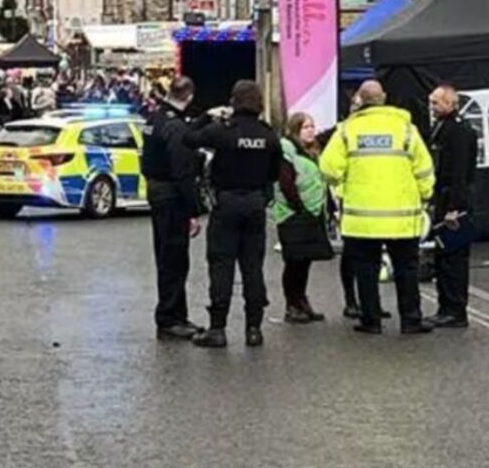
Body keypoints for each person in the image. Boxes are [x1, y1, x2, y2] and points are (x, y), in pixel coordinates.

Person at [320, 80, 435, 335]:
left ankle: (371, 320)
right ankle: (411, 320)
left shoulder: (347, 131)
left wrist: (341, 189)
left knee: (366, 269)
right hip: (402, 217)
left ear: (360, 99)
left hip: (362, 218)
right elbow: (424, 169)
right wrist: (425, 195)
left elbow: (328, 168)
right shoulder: (406, 129)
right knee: (406, 268)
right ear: (383, 97)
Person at [182, 81, 281, 348]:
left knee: (221, 266)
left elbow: (188, 138)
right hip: (255, 204)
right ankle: (253, 329)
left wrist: (207, 117)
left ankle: (218, 329)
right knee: (253, 267)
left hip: (226, 204)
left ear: (233, 102)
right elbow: (275, 172)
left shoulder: (222, 131)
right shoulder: (268, 134)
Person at [140, 76, 205, 341]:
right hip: (171, 198)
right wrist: (193, 210)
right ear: (188, 97)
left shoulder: (155, 118)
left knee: (167, 256)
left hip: (157, 192)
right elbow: (182, 171)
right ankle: (169, 318)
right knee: (174, 260)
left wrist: (203, 121)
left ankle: (176, 315)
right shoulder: (174, 127)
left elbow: (178, 132)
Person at [273, 112, 333, 324]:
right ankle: (292, 305)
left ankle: (302, 300)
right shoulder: (287, 149)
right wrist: (298, 207)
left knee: (304, 262)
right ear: (295, 129)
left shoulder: (312, 151)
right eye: (306, 126)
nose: (311, 130)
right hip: (292, 214)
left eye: (312, 126)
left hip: (312, 212)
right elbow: (285, 182)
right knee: (294, 261)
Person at [426, 84, 477, 328]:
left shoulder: (458, 130)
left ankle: (455, 310)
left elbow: (459, 172)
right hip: (443, 198)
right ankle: (445, 306)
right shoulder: (443, 127)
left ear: (450, 103)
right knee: (443, 256)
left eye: (436, 103)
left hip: (454, 202)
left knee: (453, 259)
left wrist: (454, 207)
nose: (432, 107)